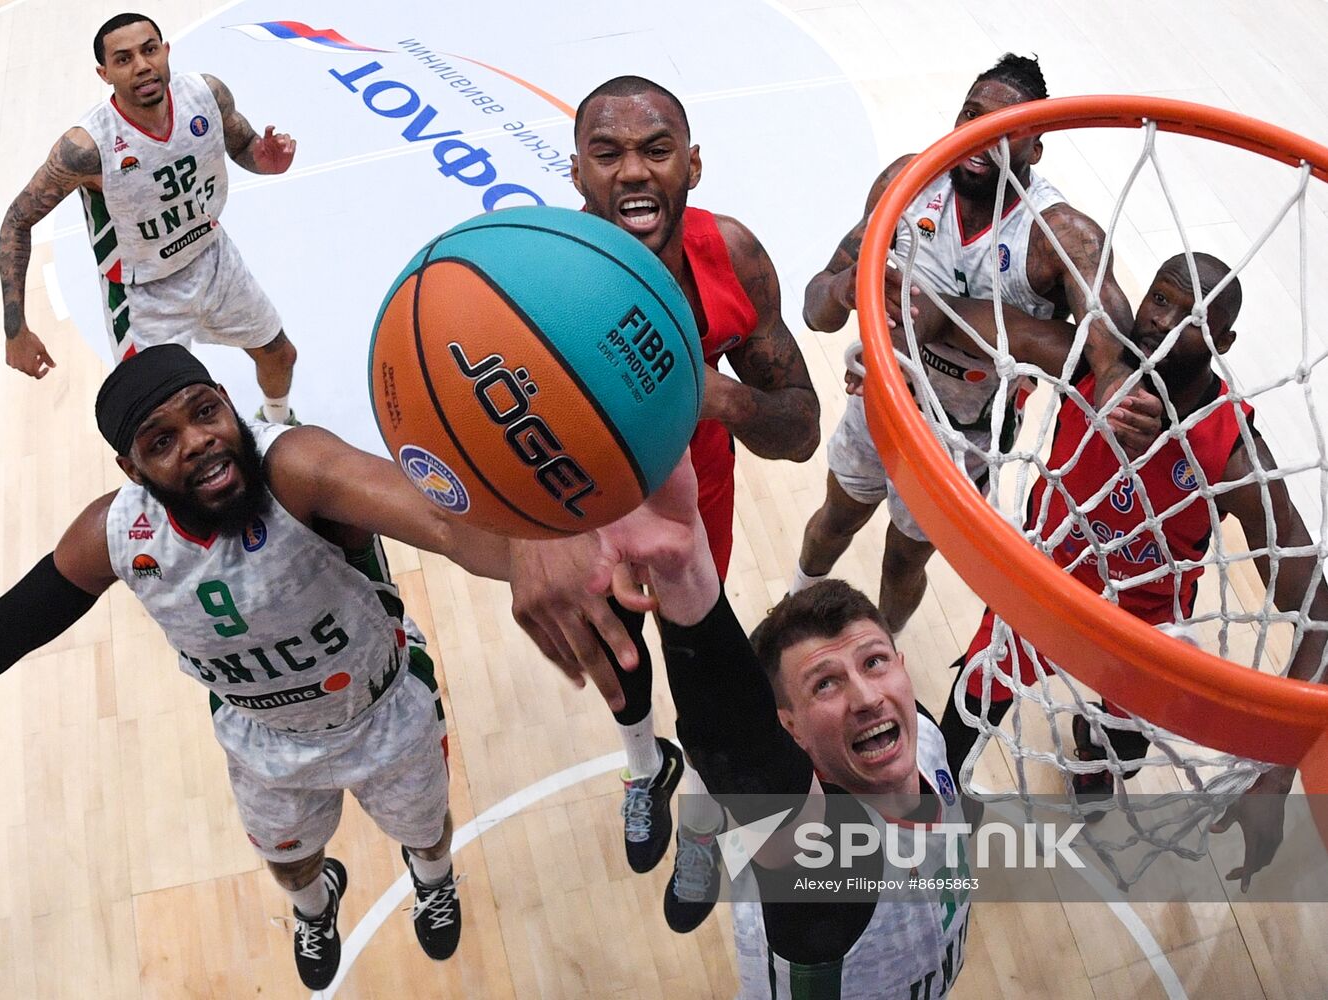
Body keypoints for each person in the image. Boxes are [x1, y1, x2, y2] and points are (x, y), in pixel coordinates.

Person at [0, 345, 526, 989]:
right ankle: (315, 907)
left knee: (427, 830)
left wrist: (541, 554)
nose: (198, 441)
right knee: (289, 863)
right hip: (263, 738)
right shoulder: (117, 534)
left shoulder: (294, 467)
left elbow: (445, 523)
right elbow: (5, 631)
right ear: (132, 469)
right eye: (162, 442)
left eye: (204, 412)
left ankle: (433, 880)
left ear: (225, 399)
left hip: (383, 713)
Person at [512, 75, 821, 930]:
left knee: (703, 673)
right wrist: (523, 531)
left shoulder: (734, 258)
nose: (633, 172)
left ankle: (704, 821)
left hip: (692, 503)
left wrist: (723, 398)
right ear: (576, 172)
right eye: (607, 153)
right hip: (584, 502)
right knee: (614, 650)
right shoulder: (532, 274)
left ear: (693, 164)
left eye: (655, 150)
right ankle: (644, 766)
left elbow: (802, 429)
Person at [913, 253, 1327, 887]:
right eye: (1160, 299)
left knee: (1122, 754)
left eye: (1192, 317)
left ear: (1222, 343)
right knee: (968, 711)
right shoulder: (1087, 361)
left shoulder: (1233, 454)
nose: (1163, 320)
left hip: (1143, 626)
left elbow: (1317, 608)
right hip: (1047, 585)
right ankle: (942, 816)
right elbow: (957, 319)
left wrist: (1277, 770)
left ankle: (1094, 749)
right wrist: (901, 314)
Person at [581, 454, 971, 998]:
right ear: (790, 728)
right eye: (825, 684)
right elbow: (737, 741)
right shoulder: (829, 861)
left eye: (875, 661)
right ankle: (702, 829)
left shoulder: (925, 737)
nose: (867, 697)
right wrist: (680, 566)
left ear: (903, 667)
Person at [792, 53, 1151, 634]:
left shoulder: (1060, 235)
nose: (981, 135)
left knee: (904, 557)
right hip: (882, 397)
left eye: (1006, 129)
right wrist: (844, 289)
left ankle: (883, 646)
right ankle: (794, 604)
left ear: (1036, 149)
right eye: (971, 114)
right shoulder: (908, 183)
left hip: (965, 435)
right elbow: (816, 309)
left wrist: (1116, 387)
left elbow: (1103, 354)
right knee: (836, 518)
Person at [0, 12, 300, 425]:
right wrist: (15, 328)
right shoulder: (86, 148)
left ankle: (278, 423)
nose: (142, 65)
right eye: (124, 59)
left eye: (149, 50)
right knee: (161, 416)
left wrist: (265, 160)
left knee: (280, 354)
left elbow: (244, 144)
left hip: (213, 259)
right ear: (104, 74)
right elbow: (17, 220)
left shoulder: (207, 95)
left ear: (166, 51)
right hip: (143, 296)